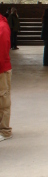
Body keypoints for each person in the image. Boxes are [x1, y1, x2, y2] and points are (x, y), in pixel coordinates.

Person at [0, 14, 12, 142]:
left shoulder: (2, 27)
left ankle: (5, 131)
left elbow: (2, 52)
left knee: (3, 101)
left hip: (2, 69)